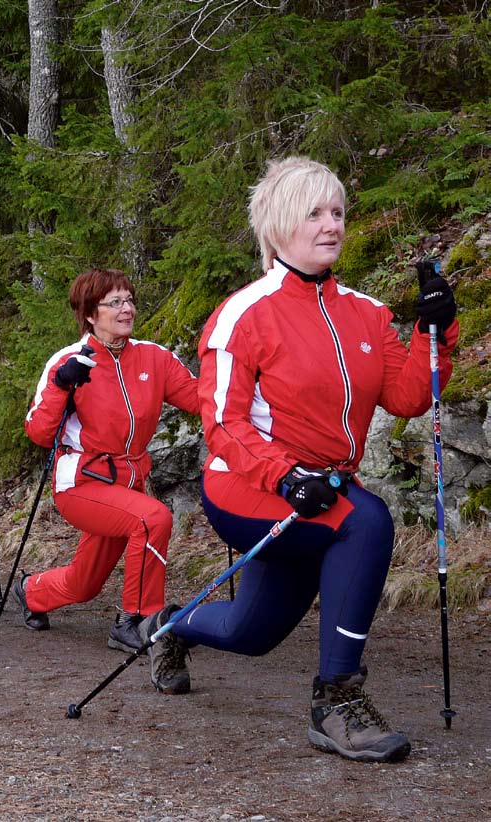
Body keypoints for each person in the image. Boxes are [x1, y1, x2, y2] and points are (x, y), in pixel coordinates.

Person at [140, 156, 459, 762]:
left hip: (321, 490)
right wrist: (286, 476)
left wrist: (432, 330)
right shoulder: (244, 313)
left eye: (337, 211)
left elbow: (410, 397)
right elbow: (223, 425)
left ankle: (170, 626)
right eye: (314, 212)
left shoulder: (365, 312)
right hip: (249, 488)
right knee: (366, 521)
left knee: (250, 632)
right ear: (279, 223)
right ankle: (336, 701)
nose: (331, 224)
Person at [16, 267, 200, 692]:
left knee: (85, 583)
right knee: (153, 519)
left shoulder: (153, 357)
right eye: (114, 302)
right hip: (81, 484)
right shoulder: (69, 362)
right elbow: (39, 433)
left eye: (130, 299)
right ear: (89, 314)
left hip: (127, 486)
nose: (127, 308)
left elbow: (199, 398)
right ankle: (137, 621)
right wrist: (63, 387)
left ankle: (33, 592)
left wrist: (242, 374)